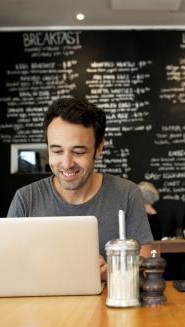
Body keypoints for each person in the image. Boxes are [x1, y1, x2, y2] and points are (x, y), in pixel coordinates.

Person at [8, 98, 153, 279]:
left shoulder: (127, 194)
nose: (67, 164)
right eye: (57, 151)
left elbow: (149, 264)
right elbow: (9, 267)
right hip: (41, 306)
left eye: (78, 152)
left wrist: (114, 271)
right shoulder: (26, 199)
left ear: (99, 148)